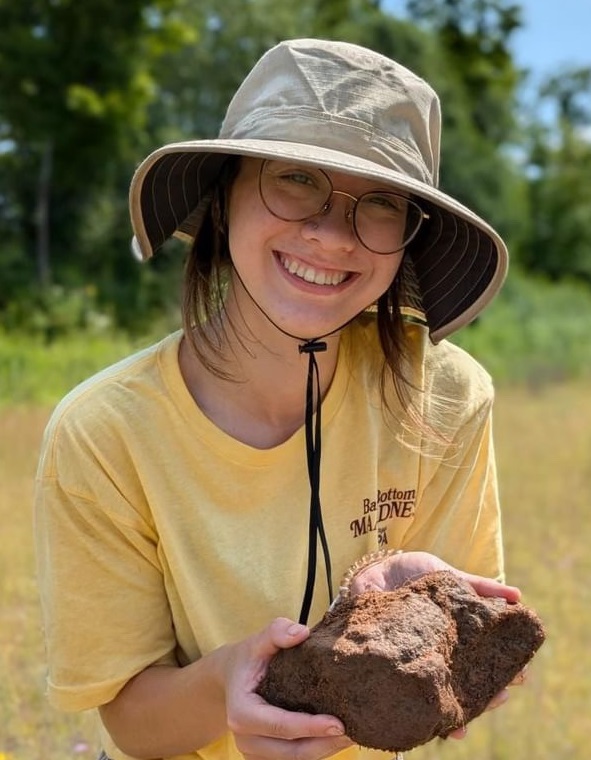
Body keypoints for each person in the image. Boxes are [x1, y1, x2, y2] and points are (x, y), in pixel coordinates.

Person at [34, 37, 523, 760]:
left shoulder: (447, 394)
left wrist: (406, 614)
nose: (330, 236)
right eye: (295, 180)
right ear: (224, 195)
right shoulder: (105, 432)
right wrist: (233, 680)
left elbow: (447, 668)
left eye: (379, 203)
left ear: (408, 236)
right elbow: (131, 724)